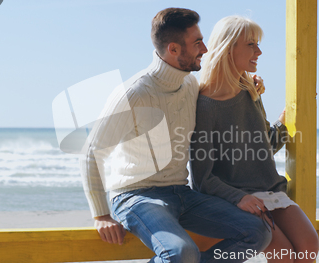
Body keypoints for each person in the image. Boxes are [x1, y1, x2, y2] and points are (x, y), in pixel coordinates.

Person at [81, 8, 271, 263]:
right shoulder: (133, 93)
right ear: (173, 50)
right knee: (182, 253)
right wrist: (101, 215)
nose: (205, 48)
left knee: (257, 232)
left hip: (182, 193)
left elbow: (220, 88)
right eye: (197, 43)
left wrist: (249, 83)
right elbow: (92, 152)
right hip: (136, 196)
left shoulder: (191, 85)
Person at [190, 16, 319, 263]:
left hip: (270, 190)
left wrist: (286, 120)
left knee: (309, 247)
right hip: (236, 199)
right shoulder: (204, 106)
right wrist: (240, 198)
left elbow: (266, 145)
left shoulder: (250, 88)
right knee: (284, 256)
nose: (259, 51)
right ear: (228, 48)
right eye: (251, 44)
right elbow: (202, 178)